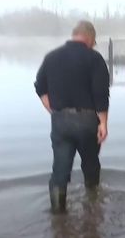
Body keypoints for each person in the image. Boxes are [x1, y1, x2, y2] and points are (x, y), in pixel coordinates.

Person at [34, 20, 110, 214]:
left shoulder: (51, 57)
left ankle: (58, 218)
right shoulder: (94, 59)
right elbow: (101, 94)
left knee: (59, 171)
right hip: (87, 122)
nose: (94, 45)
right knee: (91, 165)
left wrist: (49, 106)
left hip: (60, 122)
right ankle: (93, 206)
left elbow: (40, 86)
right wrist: (103, 123)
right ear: (90, 38)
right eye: (94, 42)